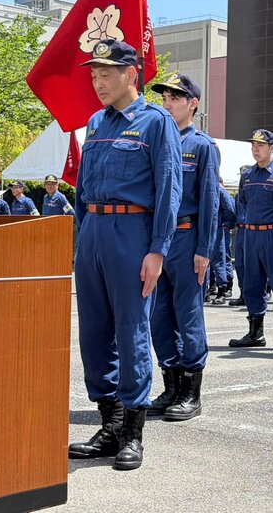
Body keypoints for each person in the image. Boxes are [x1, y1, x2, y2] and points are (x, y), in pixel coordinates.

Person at [68, 39, 181, 470]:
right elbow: (83, 187)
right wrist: (81, 241)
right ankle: (110, 423)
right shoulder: (96, 122)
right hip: (94, 232)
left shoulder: (155, 122)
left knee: (131, 331)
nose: (98, 83)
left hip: (133, 233)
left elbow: (169, 189)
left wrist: (158, 250)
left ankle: (133, 430)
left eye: (106, 74)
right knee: (94, 332)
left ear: (131, 74)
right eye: (94, 75)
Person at [147, 73, 218, 421]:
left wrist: (205, 249)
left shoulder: (202, 146)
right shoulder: (155, 140)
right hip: (156, 241)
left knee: (188, 315)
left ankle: (191, 392)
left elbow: (210, 201)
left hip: (187, 238)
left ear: (193, 104)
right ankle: (171, 385)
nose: (167, 103)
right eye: (164, 98)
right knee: (159, 316)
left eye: (175, 98)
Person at [228, 129, 273, 353]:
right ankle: (255, 333)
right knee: (252, 282)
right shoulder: (247, 175)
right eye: (253, 145)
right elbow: (242, 201)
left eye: (260, 145)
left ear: (271, 148)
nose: (255, 149)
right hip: (251, 235)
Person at [209, 182, 237, 305]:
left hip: (218, 228)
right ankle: (210, 288)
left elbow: (230, 209)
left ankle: (223, 289)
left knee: (220, 259)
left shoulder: (219, 191)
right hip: (209, 228)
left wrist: (224, 224)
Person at [228, 165, 251, 307]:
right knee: (240, 264)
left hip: (252, 230)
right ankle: (243, 293)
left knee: (252, 264)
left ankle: (257, 294)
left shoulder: (255, 191)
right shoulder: (239, 195)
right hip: (241, 230)